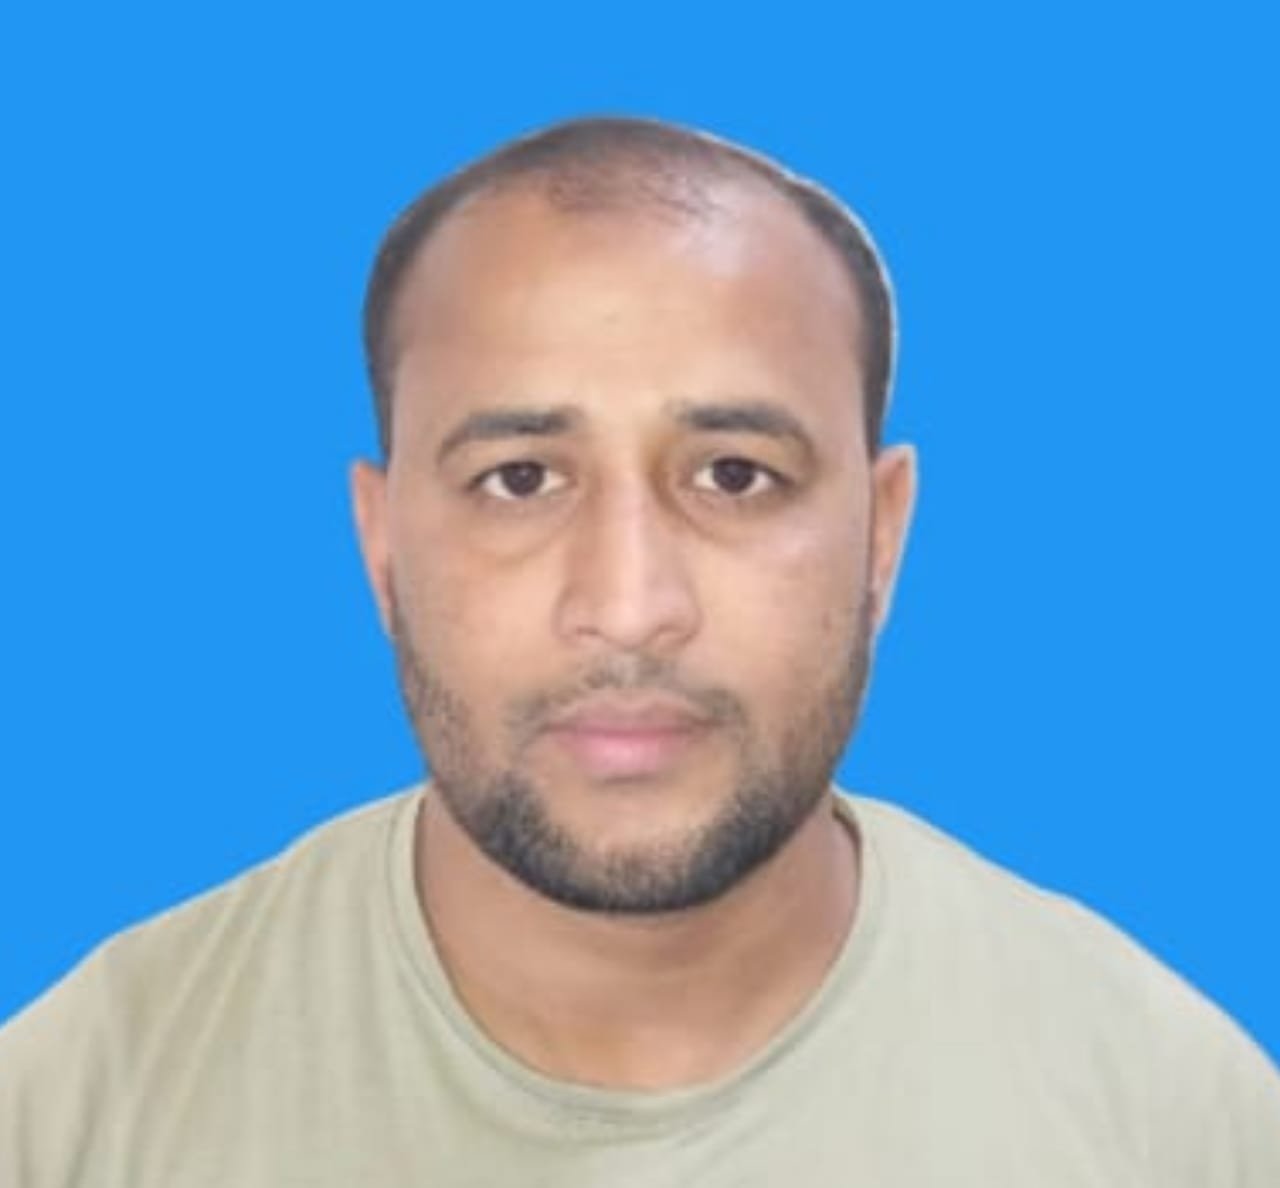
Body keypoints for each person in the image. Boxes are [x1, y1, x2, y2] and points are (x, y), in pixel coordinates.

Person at [2, 115, 1277, 1187]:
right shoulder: (74, 1111)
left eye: (733, 475)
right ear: (380, 545)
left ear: (881, 534)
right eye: (518, 479)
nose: (626, 605)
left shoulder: (1174, 1121)